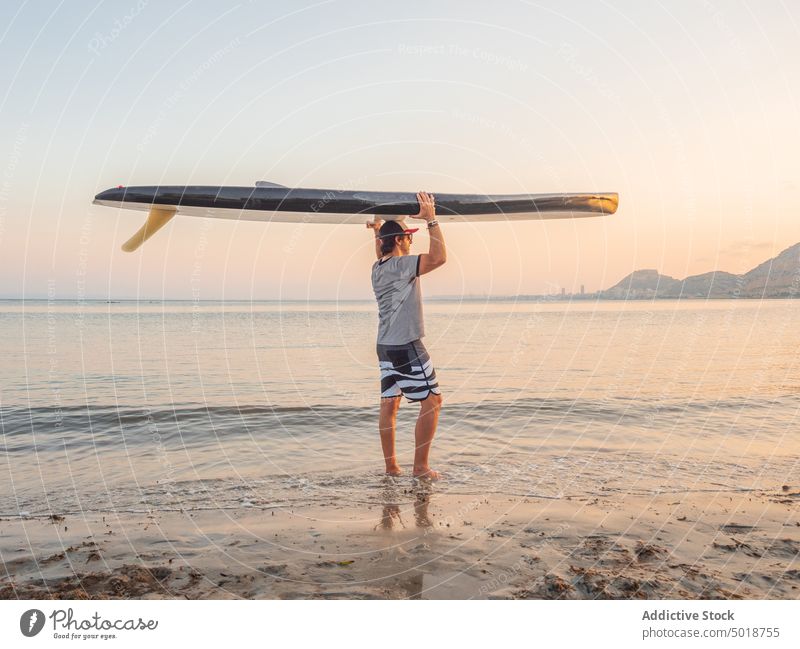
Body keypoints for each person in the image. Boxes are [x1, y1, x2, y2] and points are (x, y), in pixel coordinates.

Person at [367, 191, 446, 480]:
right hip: (405, 345)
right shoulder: (402, 267)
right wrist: (432, 220)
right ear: (400, 240)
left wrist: (377, 231)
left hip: (384, 346)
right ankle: (421, 468)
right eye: (409, 237)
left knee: (390, 403)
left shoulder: (378, 268)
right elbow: (439, 258)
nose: (411, 242)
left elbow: (381, 251)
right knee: (433, 402)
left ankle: (391, 468)